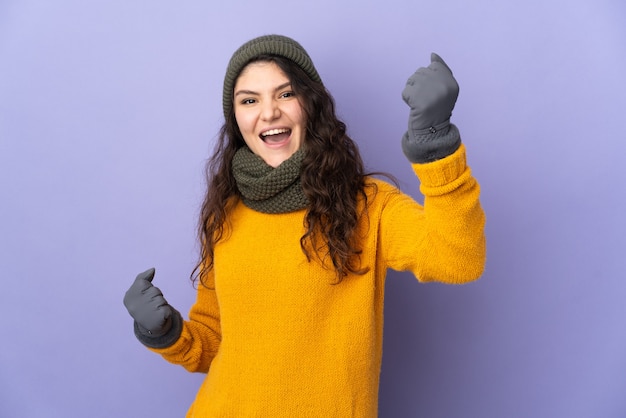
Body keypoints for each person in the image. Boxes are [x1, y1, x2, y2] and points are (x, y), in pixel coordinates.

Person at [123, 34, 486, 417]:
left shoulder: (366, 205)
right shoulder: (227, 214)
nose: (268, 113)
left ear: (310, 105)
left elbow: (458, 258)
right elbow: (212, 345)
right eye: (250, 100)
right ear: (236, 119)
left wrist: (437, 147)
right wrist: (164, 330)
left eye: (285, 94)